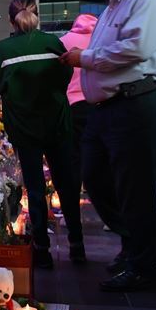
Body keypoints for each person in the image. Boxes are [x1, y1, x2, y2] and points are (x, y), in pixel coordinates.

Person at [60, 0, 156, 291]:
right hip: (106, 108)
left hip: (135, 102)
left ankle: (143, 264)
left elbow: (135, 48)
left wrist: (85, 58)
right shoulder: (109, 8)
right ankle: (134, 245)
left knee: (134, 187)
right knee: (94, 177)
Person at [0, 0, 79, 269]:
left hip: (24, 127)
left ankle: (42, 250)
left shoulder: (1, 50)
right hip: (57, 122)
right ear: (38, 17)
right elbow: (65, 76)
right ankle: (77, 245)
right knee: (66, 183)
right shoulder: (52, 43)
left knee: (35, 188)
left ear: (12, 20)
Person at [58, 13, 98, 237]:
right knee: (103, 160)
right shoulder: (99, 42)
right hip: (97, 104)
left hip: (71, 107)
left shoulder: (63, 41)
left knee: (72, 162)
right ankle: (111, 215)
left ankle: (69, 214)